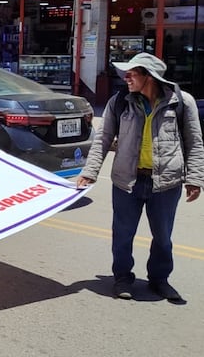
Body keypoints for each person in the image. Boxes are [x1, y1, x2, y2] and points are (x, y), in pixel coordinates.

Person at [77, 53, 203, 303]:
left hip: (166, 182)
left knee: (163, 237)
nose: (126, 78)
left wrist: (195, 178)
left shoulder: (181, 101)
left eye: (132, 73)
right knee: (122, 234)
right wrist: (89, 172)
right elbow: (103, 139)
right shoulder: (120, 101)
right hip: (126, 181)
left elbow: (194, 142)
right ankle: (123, 277)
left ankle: (159, 280)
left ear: (150, 77)